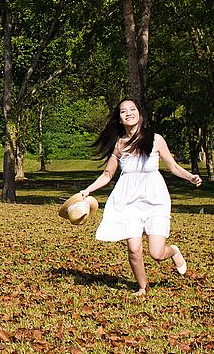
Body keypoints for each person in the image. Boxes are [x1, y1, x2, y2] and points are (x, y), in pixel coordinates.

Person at [80, 98, 202, 296]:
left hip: (155, 200)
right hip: (128, 201)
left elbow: (172, 166)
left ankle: (173, 252)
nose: (128, 113)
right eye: (123, 111)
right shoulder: (119, 145)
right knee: (134, 249)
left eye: (132, 109)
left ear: (139, 113)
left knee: (156, 253)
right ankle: (142, 288)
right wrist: (88, 190)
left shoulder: (155, 139)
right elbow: (107, 175)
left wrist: (190, 177)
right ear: (119, 119)